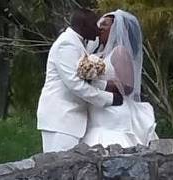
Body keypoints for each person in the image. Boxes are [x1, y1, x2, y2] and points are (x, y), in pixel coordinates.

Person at [37, 8, 123, 153]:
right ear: (83, 26)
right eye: (94, 25)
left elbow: (83, 78)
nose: (97, 30)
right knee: (60, 170)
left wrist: (107, 85)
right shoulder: (66, 44)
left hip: (70, 121)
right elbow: (75, 85)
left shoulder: (77, 43)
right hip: (61, 119)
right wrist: (110, 98)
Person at [82, 10, 158, 148]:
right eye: (100, 24)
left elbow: (128, 87)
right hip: (97, 112)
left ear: (116, 29)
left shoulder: (119, 52)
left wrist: (99, 83)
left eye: (105, 24)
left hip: (113, 113)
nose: (100, 27)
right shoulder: (96, 56)